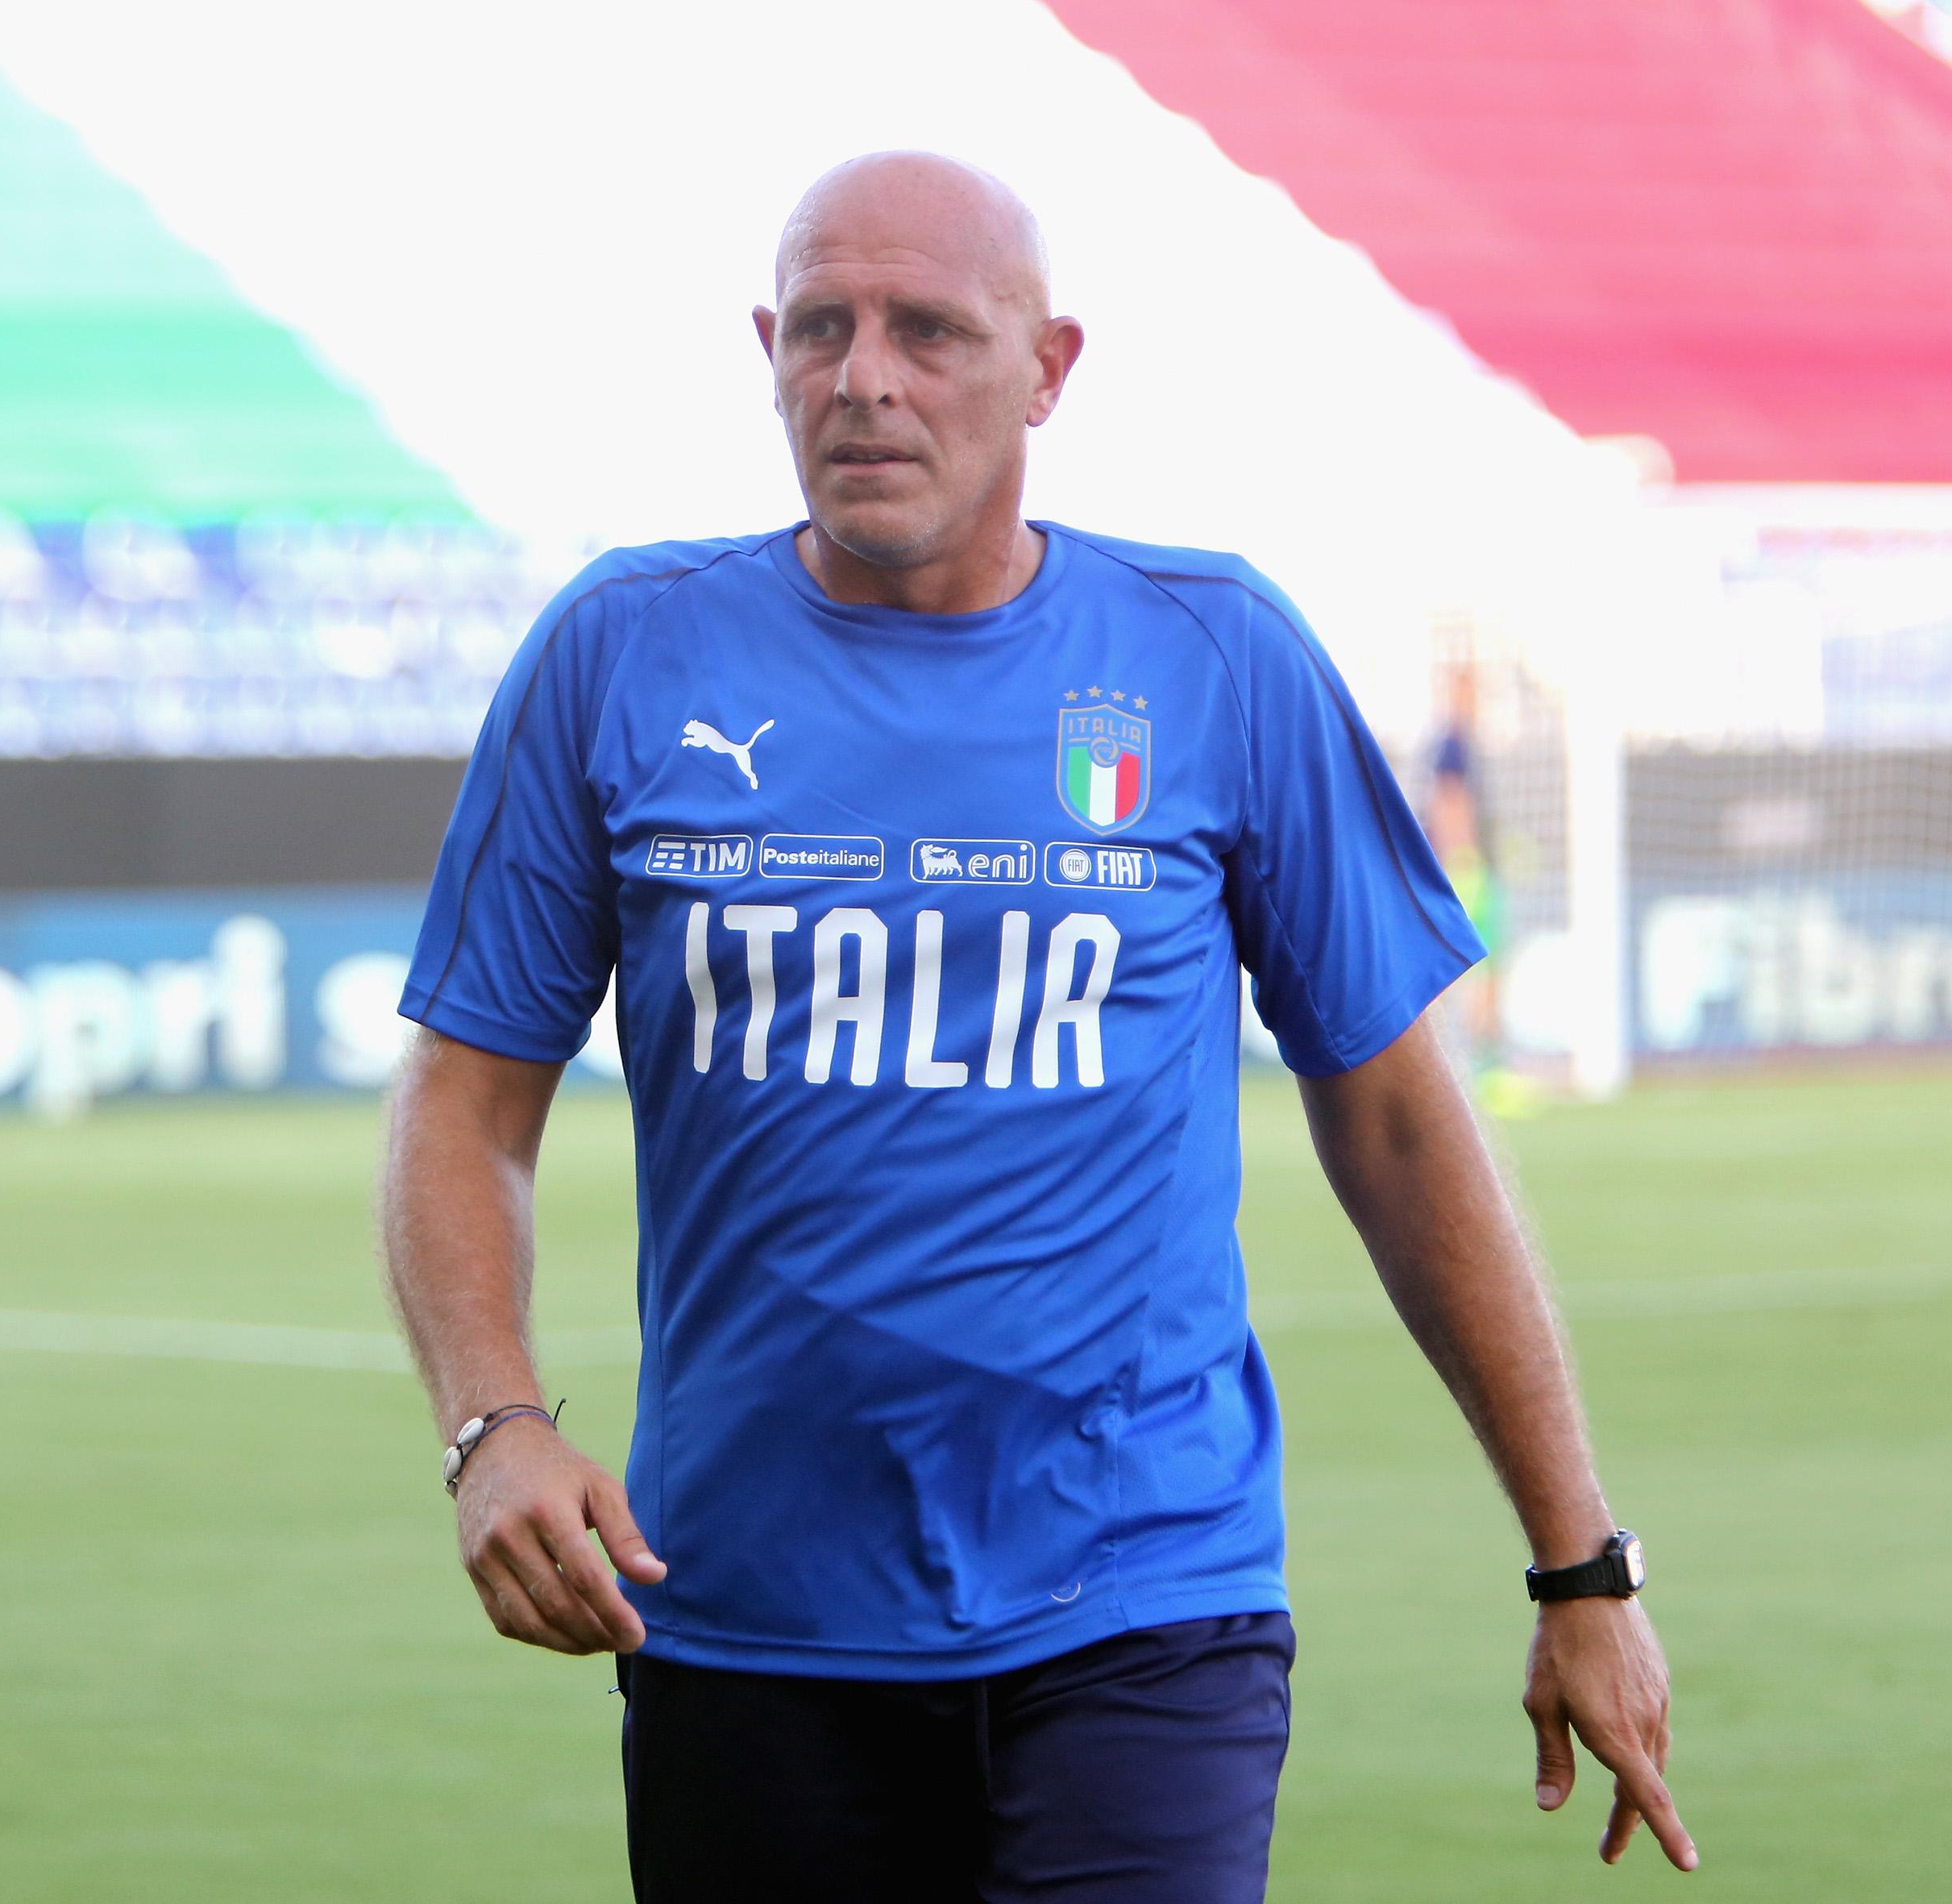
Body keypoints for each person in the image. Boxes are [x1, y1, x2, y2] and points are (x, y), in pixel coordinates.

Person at [380, 152, 1692, 1901]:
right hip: (745, 1618)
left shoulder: (1209, 654)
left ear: (1047, 368)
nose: (865, 377)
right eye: (821, 330)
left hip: (1143, 1607)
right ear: (765, 348)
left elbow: (1392, 1119)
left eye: (929, 330)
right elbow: (463, 1103)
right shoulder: (620, 654)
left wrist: (1575, 1567)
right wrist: (492, 1423)